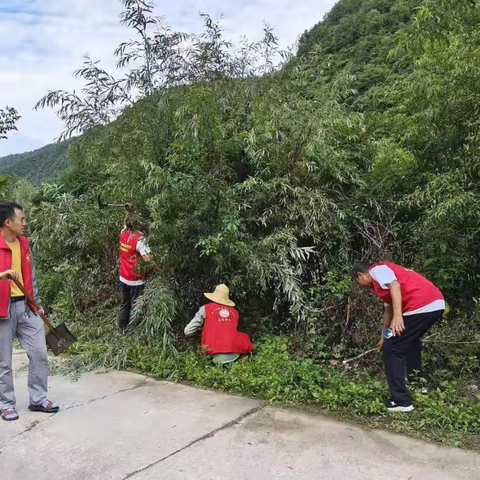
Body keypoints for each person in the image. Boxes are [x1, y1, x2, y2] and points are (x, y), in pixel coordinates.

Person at [353, 261, 445, 412]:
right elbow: (388, 309)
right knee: (409, 343)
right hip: (435, 304)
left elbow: (395, 286)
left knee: (392, 348)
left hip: (420, 305)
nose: (360, 285)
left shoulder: (376, 270)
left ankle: (401, 401)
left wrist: (398, 316)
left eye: (358, 282)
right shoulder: (379, 285)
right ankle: (417, 386)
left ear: (360, 275)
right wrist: (384, 336)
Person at [0, 201, 59, 422]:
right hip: (2, 309)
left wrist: (37, 303)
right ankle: (6, 404)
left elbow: (30, 276)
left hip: (26, 306)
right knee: (3, 361)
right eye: (21, 219)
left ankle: (38, 399)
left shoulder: (24, 243)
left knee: (40, 353)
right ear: (8, 222)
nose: (25, 223)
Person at [184, 284, 254, 365]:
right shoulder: (234, 312)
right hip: (234, 354)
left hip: (213, 353)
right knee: (244, 336)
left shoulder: (205, 309)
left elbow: (187, 331)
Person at [118, 213, 152, 331]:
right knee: (137, 305)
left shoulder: (123, 234)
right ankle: (134, 329)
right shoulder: (139, 240)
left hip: (123, 276)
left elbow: (125, 223)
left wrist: (128, 212)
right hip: (135, 279)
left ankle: (122, 328)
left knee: (125, 303)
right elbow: (148, 259)